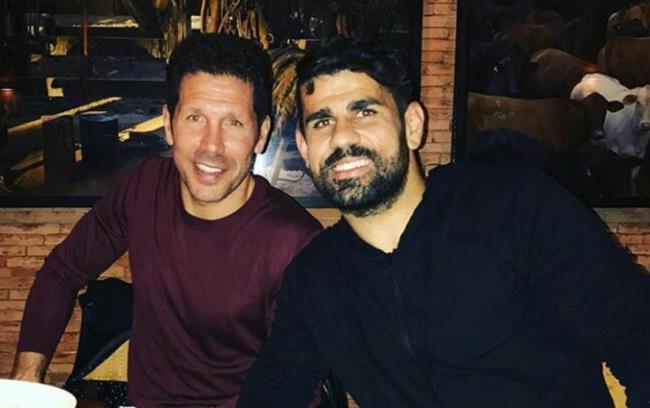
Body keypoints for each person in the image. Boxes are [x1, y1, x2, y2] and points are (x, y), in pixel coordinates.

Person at [236, 36, 650, 407]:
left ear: (412, 126)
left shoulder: (514, 208)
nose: (342, 137)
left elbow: (637, 333)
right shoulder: (316, 277)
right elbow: (276, 388)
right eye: (322, 121)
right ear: (304, 147)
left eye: (364, 112)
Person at [11, 33, 322, 407]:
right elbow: (62, 271)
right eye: (195, 118)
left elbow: (293, 386)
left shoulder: (294, 244)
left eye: (234, 123)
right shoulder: (144, 187)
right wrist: (26, 383)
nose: (211, 145)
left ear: (261, 134)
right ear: (168, 124)